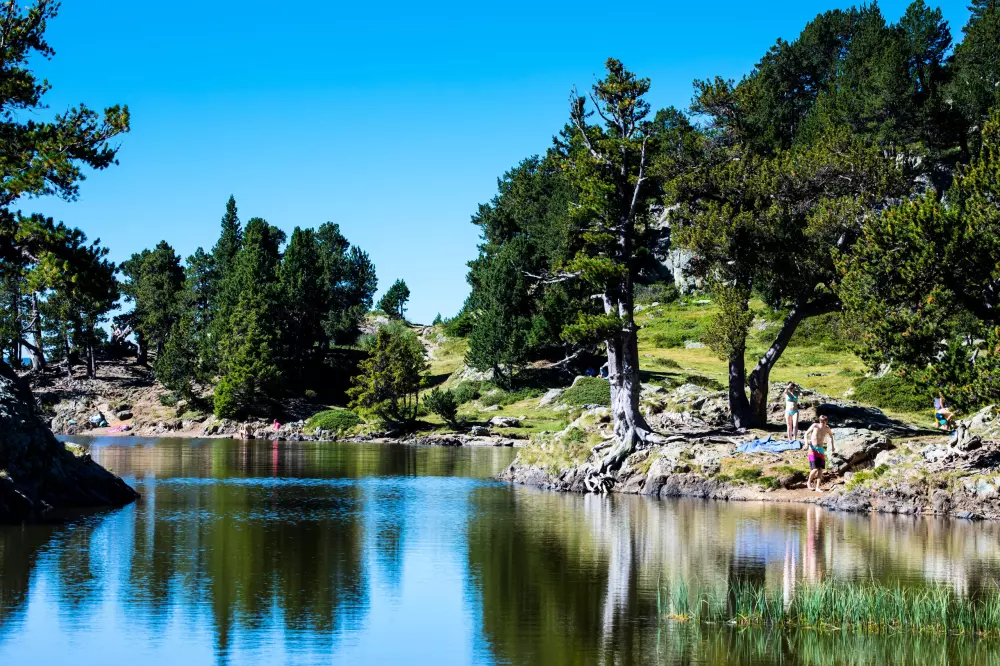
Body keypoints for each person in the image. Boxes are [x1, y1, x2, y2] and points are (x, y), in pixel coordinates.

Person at [804, 414, 836, 492]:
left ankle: (818, 487)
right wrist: (806, 443)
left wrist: (832, 447)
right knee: (814, 469)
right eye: (820, 420)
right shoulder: (815, 426)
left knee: (820, 470)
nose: (821, 422)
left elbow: (831, 437)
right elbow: (806, 434)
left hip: (821, 449)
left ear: (826, 421)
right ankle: (808, 483)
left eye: (823, 421)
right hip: (812, 449)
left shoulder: (827, 428)